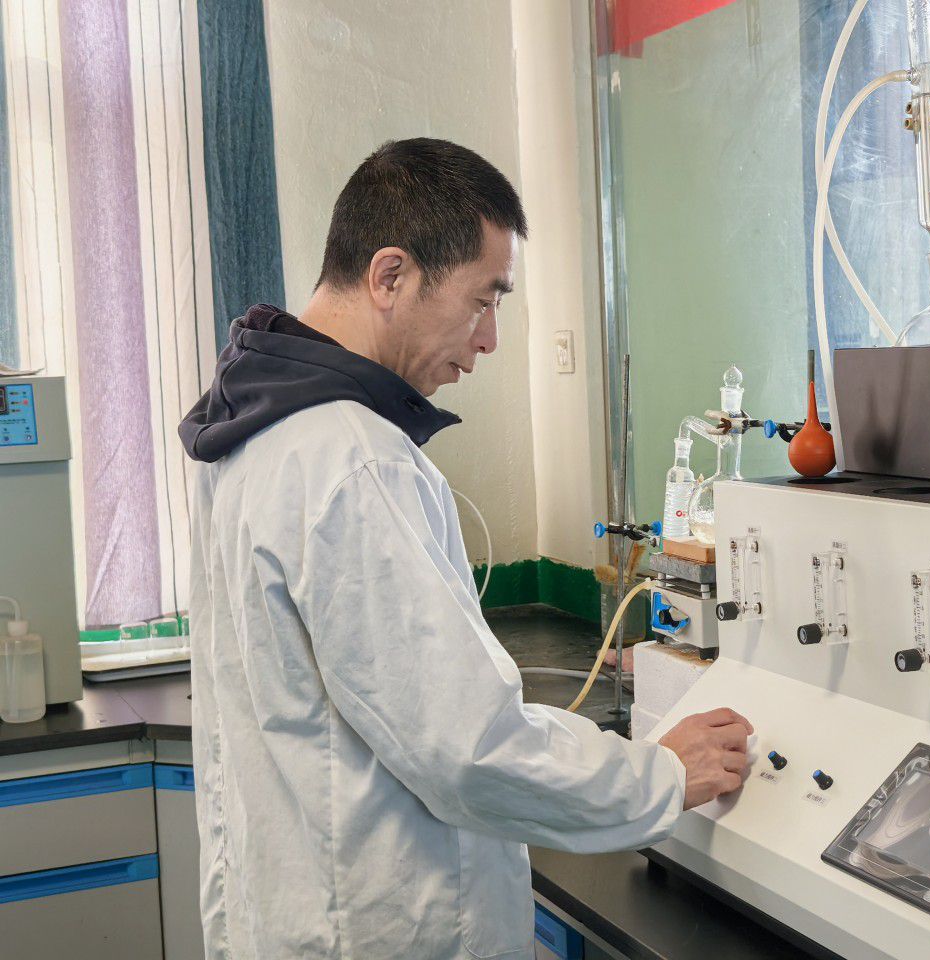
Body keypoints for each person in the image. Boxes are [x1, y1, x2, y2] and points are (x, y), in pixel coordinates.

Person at [178, 137, 752, 960]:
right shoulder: (353, 461)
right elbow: (468, 749)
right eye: (484, 300)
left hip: (290, 913)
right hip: (382, 930)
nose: (489, 340)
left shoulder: (251, 431)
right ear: (390, 276)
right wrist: (660, 774)